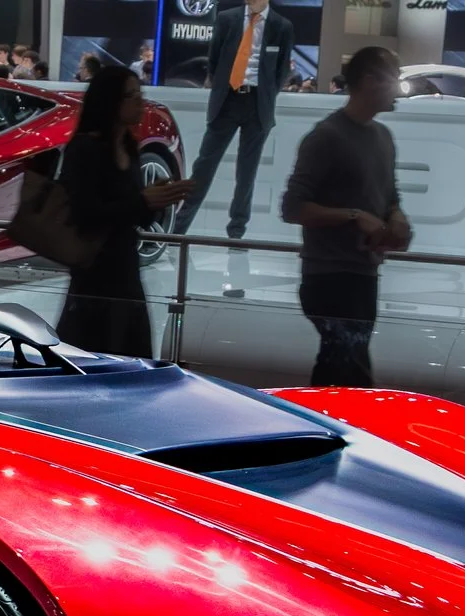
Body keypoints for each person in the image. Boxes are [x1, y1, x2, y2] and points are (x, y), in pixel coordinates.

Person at [281, 46, 410, 387]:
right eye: (394, 80)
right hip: (329, 276)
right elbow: (292, 207)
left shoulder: (382, 137)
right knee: (347, 371)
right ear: (369, 81)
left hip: (361, 274)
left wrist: (395, 217)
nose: (399, 89)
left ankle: (325, 430)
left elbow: (389, 195)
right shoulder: (326, 137)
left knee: (341, 368)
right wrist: (354, 216)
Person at [55, 66, 195, 357]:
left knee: (131, 354)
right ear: (111, 101)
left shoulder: (129, 147)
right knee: (93, 357)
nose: (140, 102)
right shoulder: (84, 150)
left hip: (126, 272)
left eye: (140, 94)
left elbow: (132, 216)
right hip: (94, 274)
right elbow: (85, 213)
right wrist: (143, 201)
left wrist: (156, 200)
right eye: (132, 95)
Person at [178, 0, 293, 241]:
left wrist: (266, 95)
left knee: (247, 171)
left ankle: (237, 231)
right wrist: (224, 86)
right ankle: (179, 227)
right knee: (204, 165)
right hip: (227, 100)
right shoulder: (227, 19)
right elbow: (214, 60)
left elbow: (281, 71)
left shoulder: (281, 26)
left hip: (258, 104)